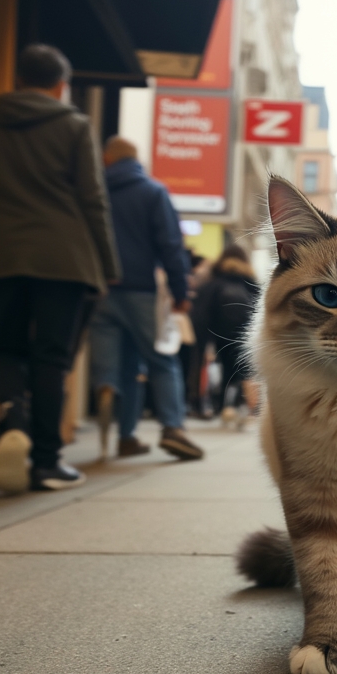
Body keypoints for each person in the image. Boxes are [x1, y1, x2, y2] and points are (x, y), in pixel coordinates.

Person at [0, 44, 120, 493]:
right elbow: (93, 199)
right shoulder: (74, 125)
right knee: (51, 357)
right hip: (63, 260)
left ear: (19, 78)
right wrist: (107, 264)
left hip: (1, 254)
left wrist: (4, 191)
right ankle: (45, 462)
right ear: (61, 85)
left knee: (4, 349)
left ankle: (13, 418)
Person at [89, 136, 204, 461]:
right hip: (141, 290)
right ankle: (173, 428)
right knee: (160, 361)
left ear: (107, 160)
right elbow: (170, 244)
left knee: (122, 364)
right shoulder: (153, 192)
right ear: (136, 161)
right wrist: (181, 293)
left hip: (101, 289)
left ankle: (116, 411)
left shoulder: (95, 191)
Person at [190, 243, 260, 428]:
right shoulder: (250, 282)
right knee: (244, 370)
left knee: (227, 368)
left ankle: (225, 408)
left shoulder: (214, 281)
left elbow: (201, 313)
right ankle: (244, 407)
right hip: (246, 333)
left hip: (220, 333)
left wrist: (202, 343)